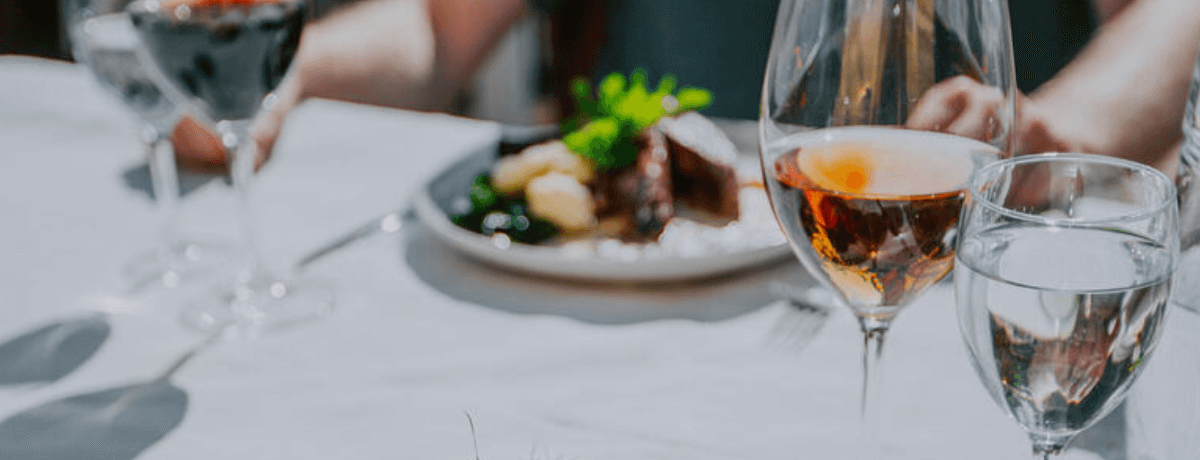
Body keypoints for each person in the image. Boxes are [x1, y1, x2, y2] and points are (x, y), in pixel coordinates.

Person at [173, 0, 1200, 174]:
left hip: (959, 297)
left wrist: (1053, 127)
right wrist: (289, 66)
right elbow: (440, 35)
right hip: (634, 308)